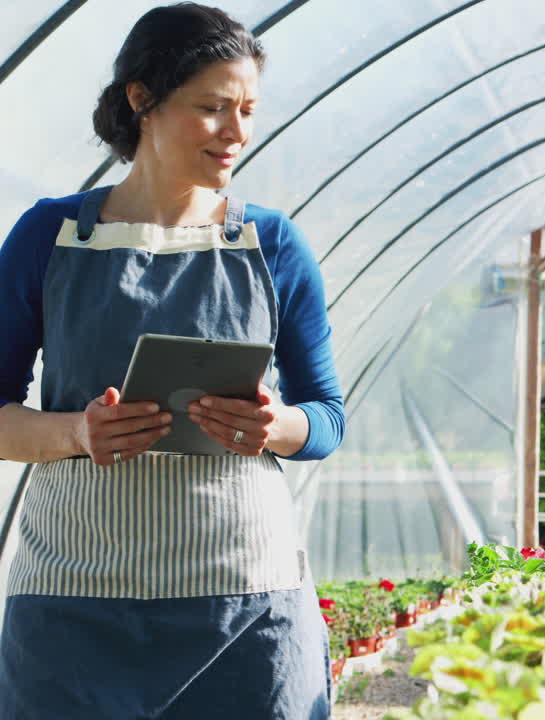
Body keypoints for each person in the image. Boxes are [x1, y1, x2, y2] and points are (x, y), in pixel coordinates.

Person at [0, 4, 344, 718]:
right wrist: (74, 434)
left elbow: (328, 418)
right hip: (74, 602)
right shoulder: (49, 237)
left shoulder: (272, 245)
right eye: (213, 107)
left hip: (243, 604)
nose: (237, 132)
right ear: (142, 98)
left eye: (247, 109)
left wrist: (276, 425)